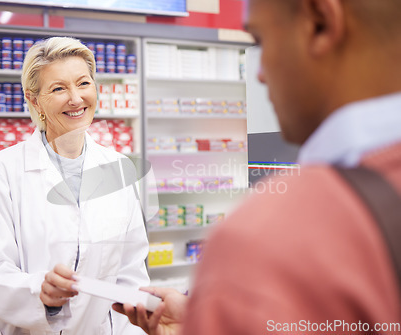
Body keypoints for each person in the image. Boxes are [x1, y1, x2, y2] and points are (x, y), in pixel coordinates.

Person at [114, 0, 401, 334]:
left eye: (260, 42)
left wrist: (226, 310)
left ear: (320, 22)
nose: (260, 74)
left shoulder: (267, 239)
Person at [0, 36, 149, 334]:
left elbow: (131, 274)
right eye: (58, 88)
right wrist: (38, 291)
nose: (76, 99)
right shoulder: (1, 170)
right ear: (33, 99)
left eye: (83, 83)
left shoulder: (120, 169)